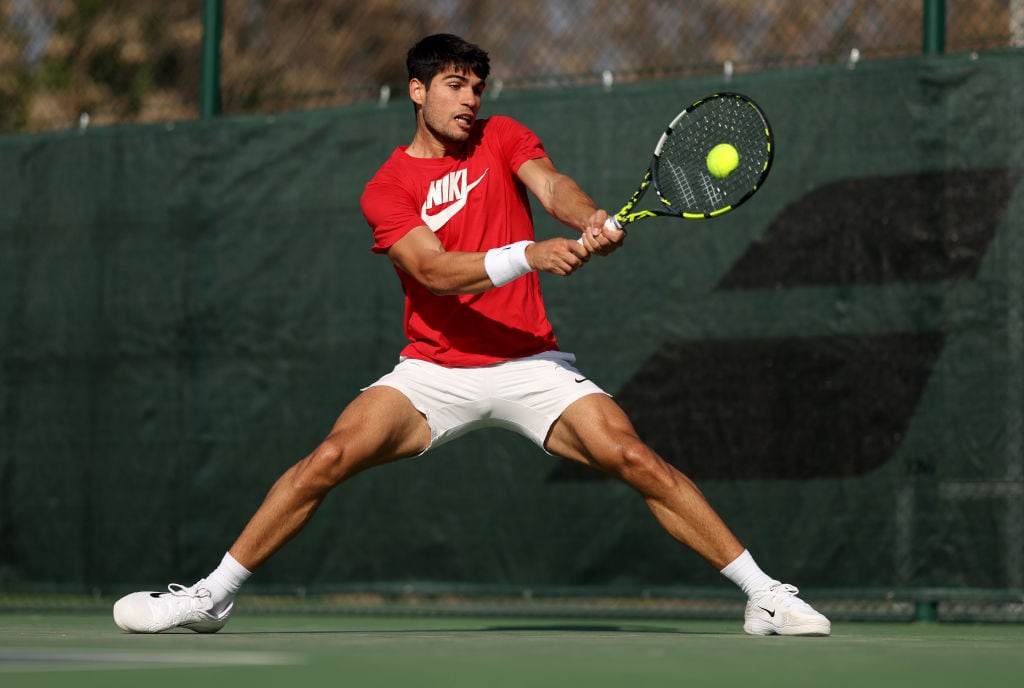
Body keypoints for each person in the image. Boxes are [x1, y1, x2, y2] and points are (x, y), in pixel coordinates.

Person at [112, 33, 830, 637]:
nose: (470, 99)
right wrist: (529, 255)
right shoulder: (386, 189)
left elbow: (552, 187)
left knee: (632, 456)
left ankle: (764, 595)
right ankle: (209, 598)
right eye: (455, 85)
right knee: (329, 456)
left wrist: (584, 221)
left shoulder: (502, 137)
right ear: (418, 92)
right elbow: (432, 271)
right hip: (432, 371)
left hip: (530, 364)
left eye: (477, 87)